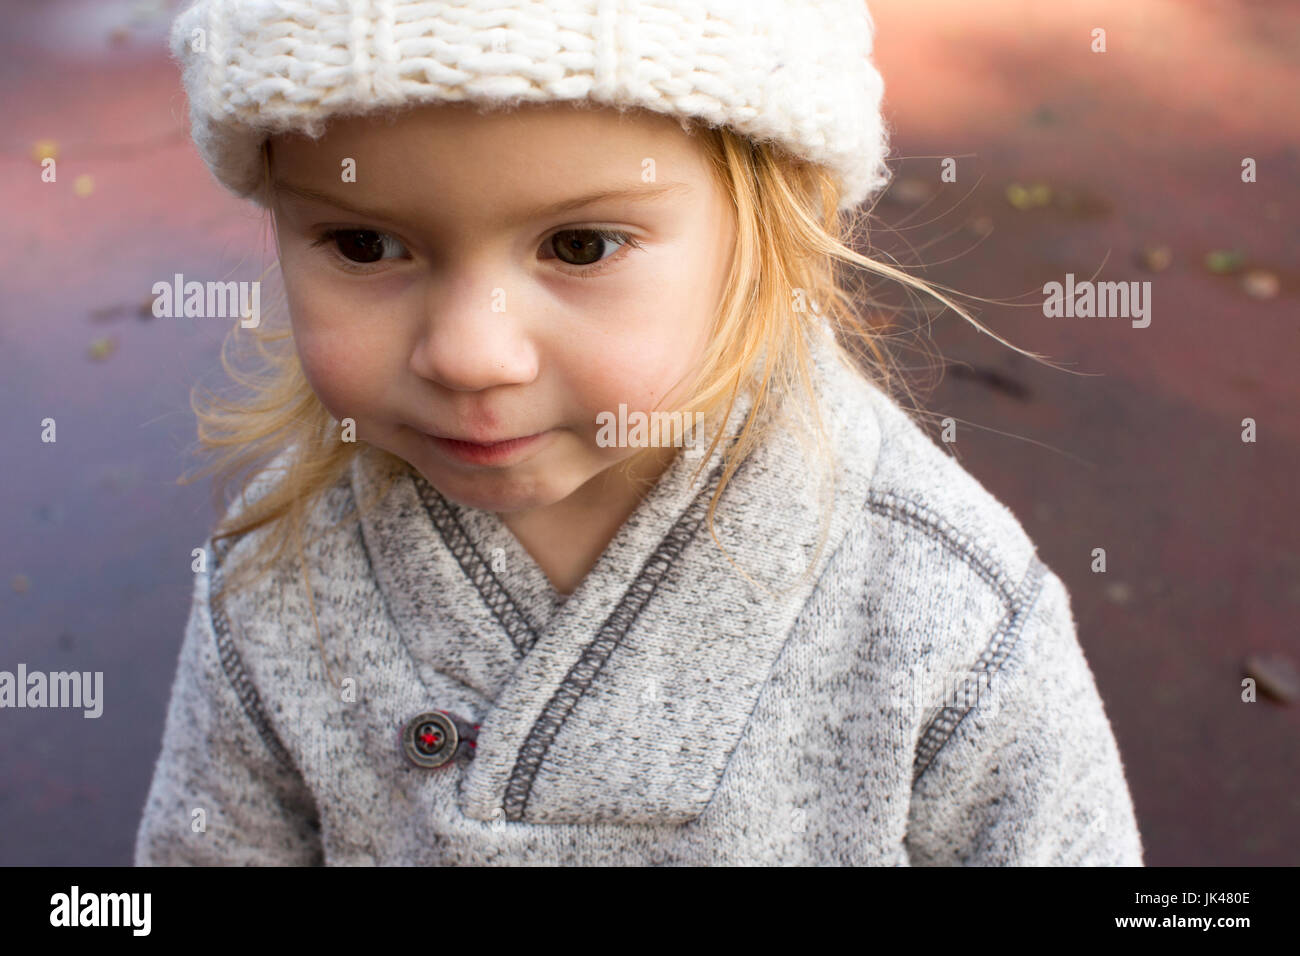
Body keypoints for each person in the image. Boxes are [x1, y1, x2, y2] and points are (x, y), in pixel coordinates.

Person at [134, 0, 1144, 865]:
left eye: (579, 244)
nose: (468, 353)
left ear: (770, 229)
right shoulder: (277, 573)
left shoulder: (934, 598)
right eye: (364, 242)